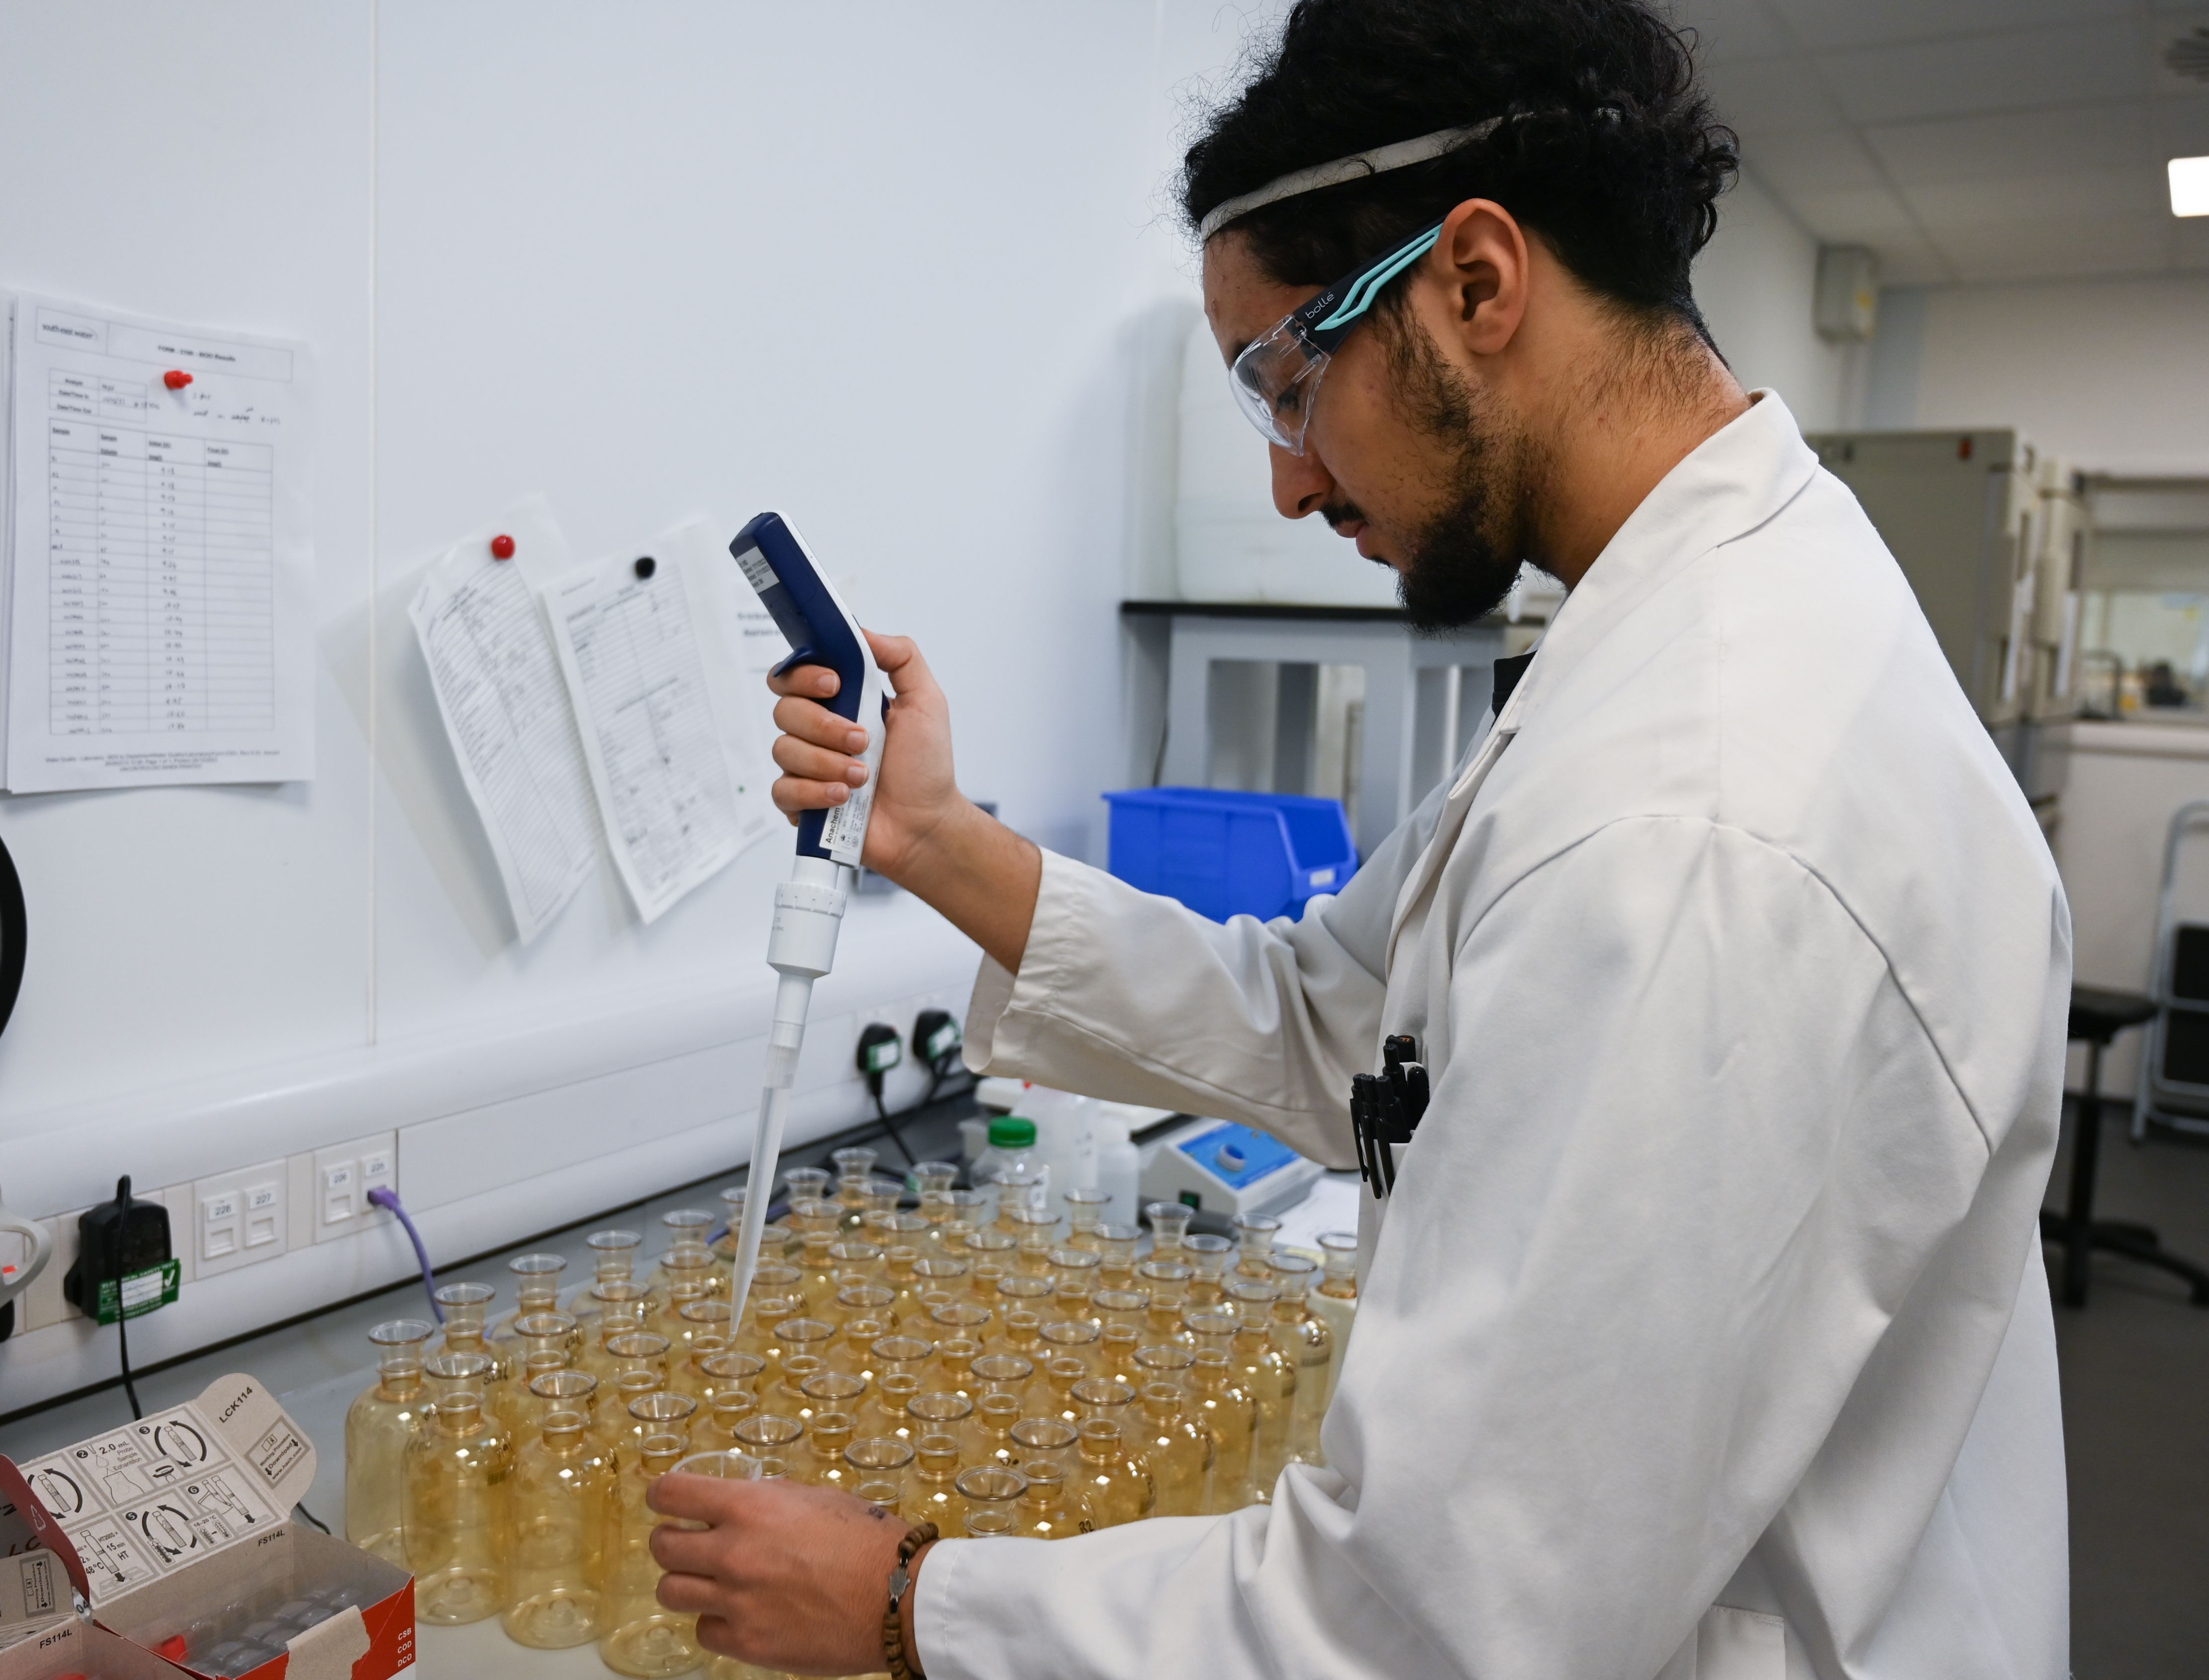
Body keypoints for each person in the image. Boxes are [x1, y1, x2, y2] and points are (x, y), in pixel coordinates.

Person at [647, 2, 2072, 1676]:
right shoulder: (1669, 647)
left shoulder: (1697, 816)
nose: (1287, 484)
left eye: (1284, 379)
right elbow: (1341, 1019)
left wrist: (909, 1604)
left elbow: (1436, 1627)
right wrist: (939, 838)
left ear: (1475, 283)